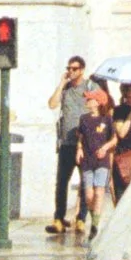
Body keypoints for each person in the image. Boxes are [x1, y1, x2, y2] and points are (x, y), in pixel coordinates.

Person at [46, 54, 88, 238]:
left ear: (82, 70)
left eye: (74, 69)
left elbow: (104, 104)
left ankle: (81, 218)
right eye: (69, 68)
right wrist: (61, 84)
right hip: (66, 142)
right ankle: (59, 217)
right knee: (61, 181)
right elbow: (52, 104)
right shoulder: (65, 90)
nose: (70, 71)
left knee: (86, 182)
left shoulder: (90, 87)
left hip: (85, 143)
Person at [73, 77, 114, 232]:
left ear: (98, 102)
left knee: (99, 191)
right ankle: (93, 216)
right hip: (87, 161)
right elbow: (81, 137)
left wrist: (105, 147)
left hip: (102, 161)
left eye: (90, 99)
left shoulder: (107, 119)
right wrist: (79, 148)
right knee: (89, 195)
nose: (87, 102)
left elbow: (114, 139)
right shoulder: (84, 119)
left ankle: (95, 226)